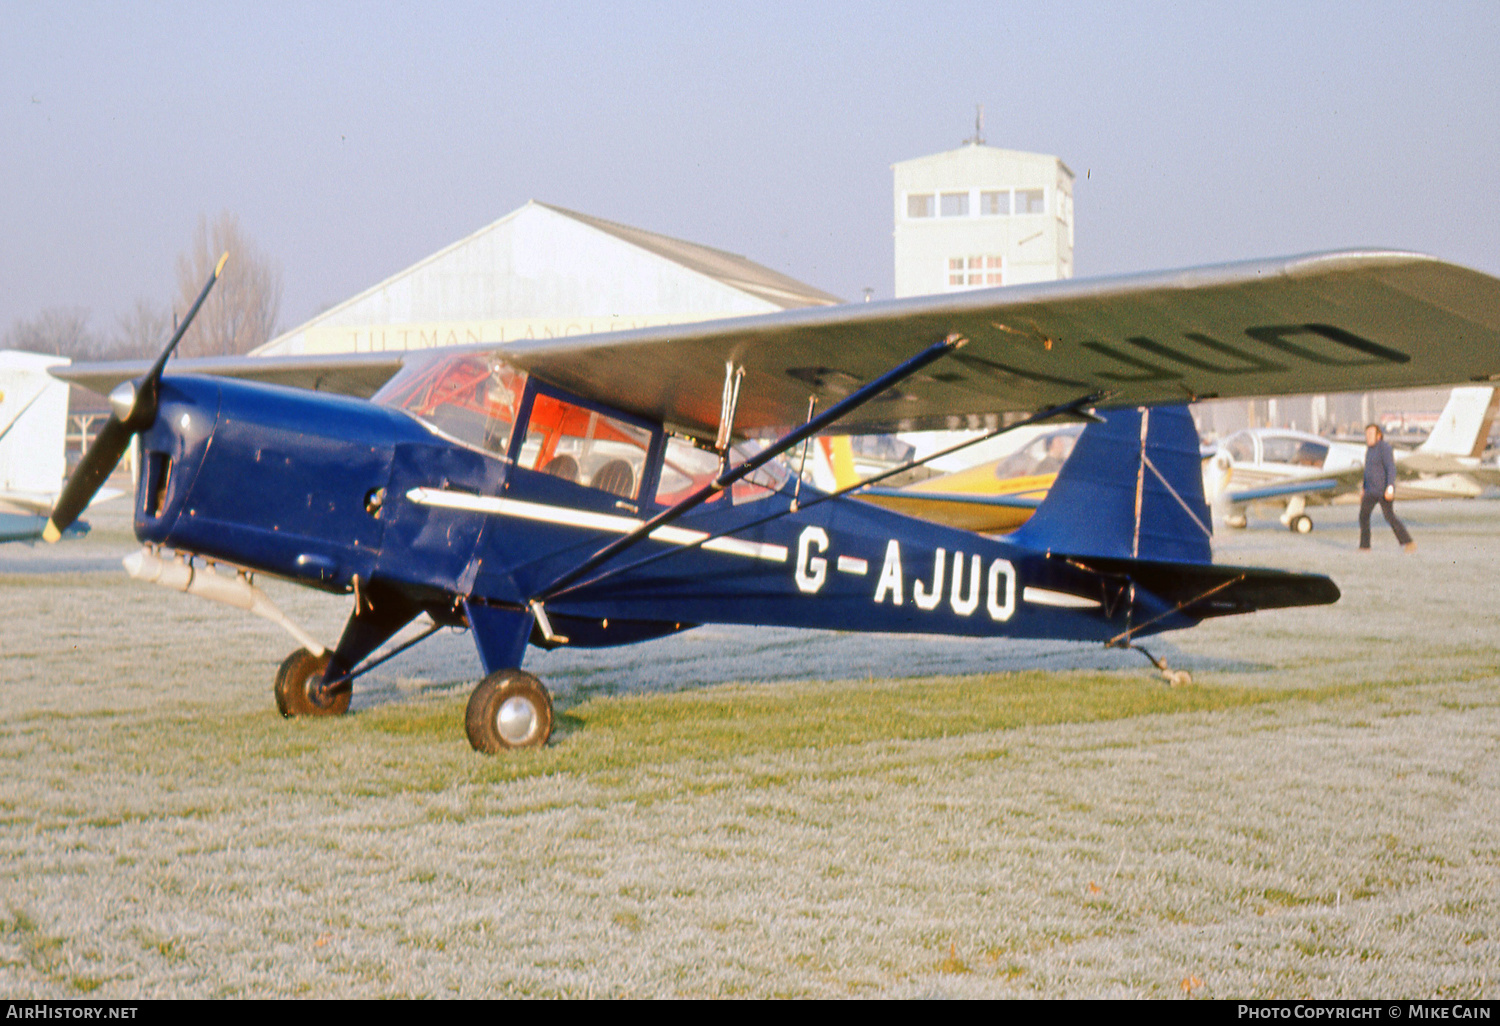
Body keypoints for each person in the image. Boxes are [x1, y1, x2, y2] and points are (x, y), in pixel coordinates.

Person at [1359, 423, 1416, 552]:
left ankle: (1408, 543)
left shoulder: (1385, 448)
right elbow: (1367, 471)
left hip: (1383, 491)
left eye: (1370, 434)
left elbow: (1391, 468)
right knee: (1363, 516)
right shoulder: (1369, 450)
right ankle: (1364, 546)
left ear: (1378, 436)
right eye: (1366, 434)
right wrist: (1363, 488)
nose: (1368, 437)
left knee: (1389, 517)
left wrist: (1390, 487)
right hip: (1370, 491)